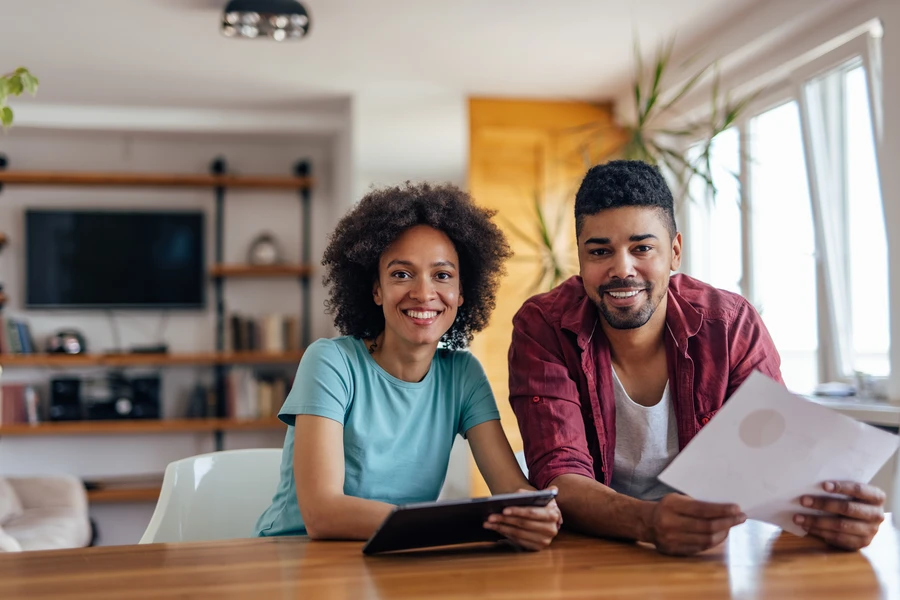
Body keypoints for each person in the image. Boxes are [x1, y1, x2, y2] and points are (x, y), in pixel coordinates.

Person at [508, 160, 886, 556]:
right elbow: (560, 477)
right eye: (600, 250)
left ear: (674, 252)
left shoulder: (730, 324)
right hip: (591, 550)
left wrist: (835, 518)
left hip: (716, 550)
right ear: (582, 261)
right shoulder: (543, 326)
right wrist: (649, 522)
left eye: (642, 248)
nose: (622, 269)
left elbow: (777, 462)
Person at [256, 182, 561, 550]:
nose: (423, 292)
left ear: (461, 293)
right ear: (376, 289)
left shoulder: (462, 376)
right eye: (402, 274)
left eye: (442, 275)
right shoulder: (331, 363)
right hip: (296, 558)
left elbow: (510, 488)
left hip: (397, 555)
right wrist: (461, 525)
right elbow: (323, 514)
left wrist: (535, 513)